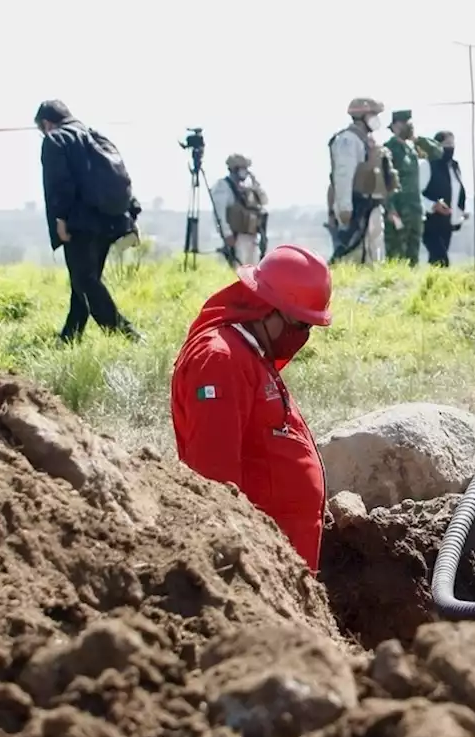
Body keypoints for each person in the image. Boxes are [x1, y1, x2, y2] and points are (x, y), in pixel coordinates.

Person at [170, 244, 333, 573]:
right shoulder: (220, 361)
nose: (303, 336)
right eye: (301, 325)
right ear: (269, 307)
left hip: (285, 562)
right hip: (258, 569)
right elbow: (214, 479)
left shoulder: (251, 354)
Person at [34, 100, 142, 343]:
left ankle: (124, 333)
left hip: (80, 223)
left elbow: (58, 184)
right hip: (110, 221)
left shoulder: (55, 139)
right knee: (84, 281)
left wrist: (60, 220)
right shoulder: (96, 136)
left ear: (46, 123)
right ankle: (70, 337)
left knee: (85, 281)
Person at [327, 97, 399, 265]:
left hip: (372, 204)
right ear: (363, 116)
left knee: (374, 252)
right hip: (356, 204)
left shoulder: (368, 140)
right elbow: (343, 175)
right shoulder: (348, 140)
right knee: (352, 253)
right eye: (373, 114)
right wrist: (345, 207)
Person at [383, 110, 442, 266]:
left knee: (412, 256)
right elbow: (384, 181)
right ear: (395, 126)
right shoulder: (389, 149)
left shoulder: (412, 148)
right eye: (404, 124)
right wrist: (390, 209)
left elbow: (437, 152)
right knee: (397, 255)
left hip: (415, 210)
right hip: (398, 210)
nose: (408, 127)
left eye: (410, 124)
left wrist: (418, 140)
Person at [420, 130, 468, 267]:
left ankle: (432, 285)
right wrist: (433, 205)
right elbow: (417, 194)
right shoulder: (427, 165)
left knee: (437, 262)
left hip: (447, 223)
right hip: (429, 222)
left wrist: (460, 213)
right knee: (441, 260)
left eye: (452, 144)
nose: (450, 148)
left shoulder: (455, 167)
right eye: (446, 144)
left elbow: (457, 194)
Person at [210, 153, 269, 266]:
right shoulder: (223, 186)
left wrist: (256, 185)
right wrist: (226, 234)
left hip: (251, 237)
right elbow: (219, 213)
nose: (246, 171)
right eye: (243, 168)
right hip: (237, 238)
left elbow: (264, 201)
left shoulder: (247, 188)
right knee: (238, 271)